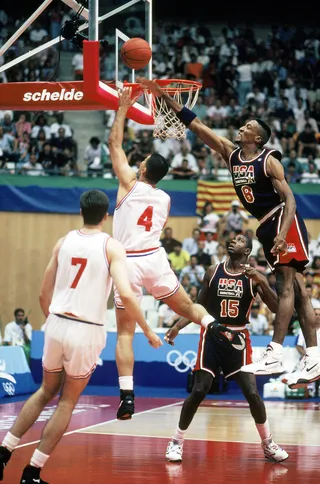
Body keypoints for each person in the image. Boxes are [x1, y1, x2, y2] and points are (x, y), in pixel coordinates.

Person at [138, 77, 320, 388]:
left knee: (287, 285)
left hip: (281, 220)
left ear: (258, 137)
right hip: (266, 225)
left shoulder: (269, 160)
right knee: (299, 292)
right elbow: (197, 126)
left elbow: (290, 198)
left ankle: (275, 351)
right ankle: (314, 356)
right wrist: (163, 97)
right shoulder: (231, 154)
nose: (241, 128)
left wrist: (282, 232)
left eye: (248, 127)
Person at [0, 190, 161, 484]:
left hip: (57, 322)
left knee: (45, 390)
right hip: (86, 328)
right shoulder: (112, 247)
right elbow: (125, 293)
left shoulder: (63, 242)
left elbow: (42, 293)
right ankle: (32, 471)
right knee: (66, 402)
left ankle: (3, 450)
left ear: (80, 211)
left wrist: (54, 320)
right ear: (106, 215)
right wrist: (148, 330)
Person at [108, 87, 216, 420]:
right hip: (155, 258)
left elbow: (114, 145)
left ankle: (127, 396)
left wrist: (123, 109)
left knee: (125, 332)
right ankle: (215, 325)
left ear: (141, 171)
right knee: (187, 307)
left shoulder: (128, 182)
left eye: (139, 163)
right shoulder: (165, 199)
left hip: (127, 262)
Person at [163, 234, 288, 463]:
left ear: (248, 251)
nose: (233, 240)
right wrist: (177, 327)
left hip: (238, 339)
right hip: (212, 335)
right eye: (233, 238)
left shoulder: (253, 277)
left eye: (240, 239)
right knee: (200, 390)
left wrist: (261, 280)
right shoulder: (213, 271)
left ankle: (268, 444)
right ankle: (176, 441)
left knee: (252, 393)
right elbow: (197, 306)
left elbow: (276, 308)